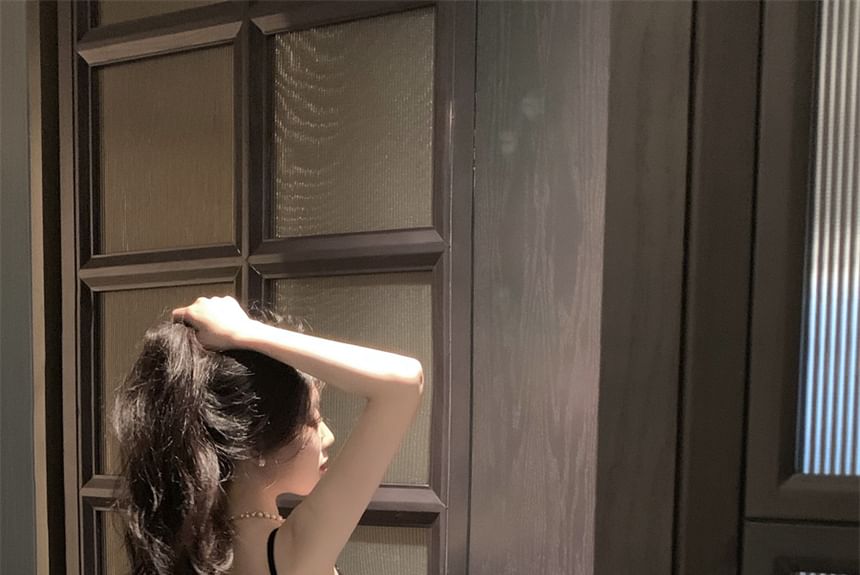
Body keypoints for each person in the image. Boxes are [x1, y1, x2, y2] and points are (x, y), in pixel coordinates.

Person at [111, 295, 424, 575]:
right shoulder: (289, 555)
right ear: (256, 441)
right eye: (312, 420)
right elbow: (404, 382)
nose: (327, 436)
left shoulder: (195, 546)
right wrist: (245, 332)